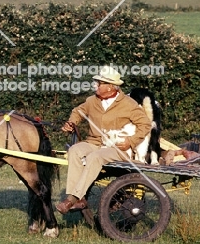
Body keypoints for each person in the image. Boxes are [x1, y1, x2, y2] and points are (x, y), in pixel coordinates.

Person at [56, 66, 152, 214]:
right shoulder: (91, 101)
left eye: (99, 83)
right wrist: (72, 123)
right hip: (94, 143)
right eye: (96, 82)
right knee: (74, 150)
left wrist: (131, 141)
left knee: (95, 157)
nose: (95, 85)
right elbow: (77, 111)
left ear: (110, 87)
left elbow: (145, 124)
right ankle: (80, 199)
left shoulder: (128, 104)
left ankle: (71, 199)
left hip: (117, 148)